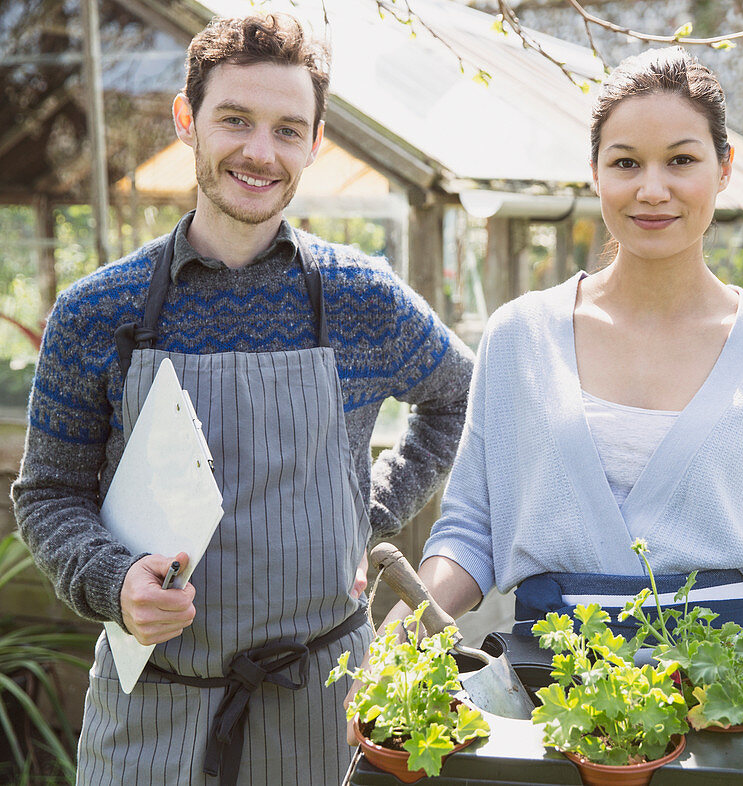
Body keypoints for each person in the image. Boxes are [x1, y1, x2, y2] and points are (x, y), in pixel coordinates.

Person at [366, 47, 743, 782]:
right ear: (595, 173)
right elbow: (473, 528)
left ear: (723, 170)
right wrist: (404, 634)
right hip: (545, 705)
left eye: (680, 161)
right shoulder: (520, 336)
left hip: (728, 719)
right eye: (625, 163)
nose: (651, 189)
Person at [11, 13, 473, 786]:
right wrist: (109, 580)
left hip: (325, 708)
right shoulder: (98, 312)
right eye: (236, 120)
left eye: (288, 129)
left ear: (315, 144)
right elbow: (49, 493)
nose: (261, 152)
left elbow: (458, 397)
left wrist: (369, 510)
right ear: (187, 120)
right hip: (153, 711)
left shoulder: (361, 297)